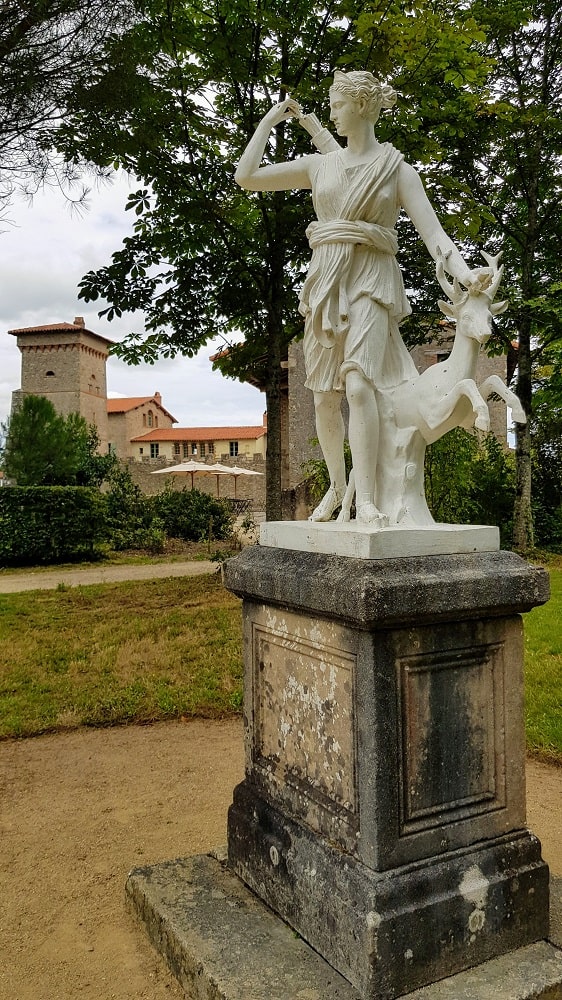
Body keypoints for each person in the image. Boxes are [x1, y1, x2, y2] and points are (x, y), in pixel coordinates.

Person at [235, 70, 474, 526]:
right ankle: (338, 488)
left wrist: (465, 274)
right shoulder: (319, 165)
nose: (330, 113)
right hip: (327, 282)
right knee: (324, 396)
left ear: (362, 106)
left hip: (372, 279)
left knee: (360, 383)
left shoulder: (397, 170)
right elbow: (246, 176)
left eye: (338, 104)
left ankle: (367, 501)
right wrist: (268, 121)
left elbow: (435, 235)